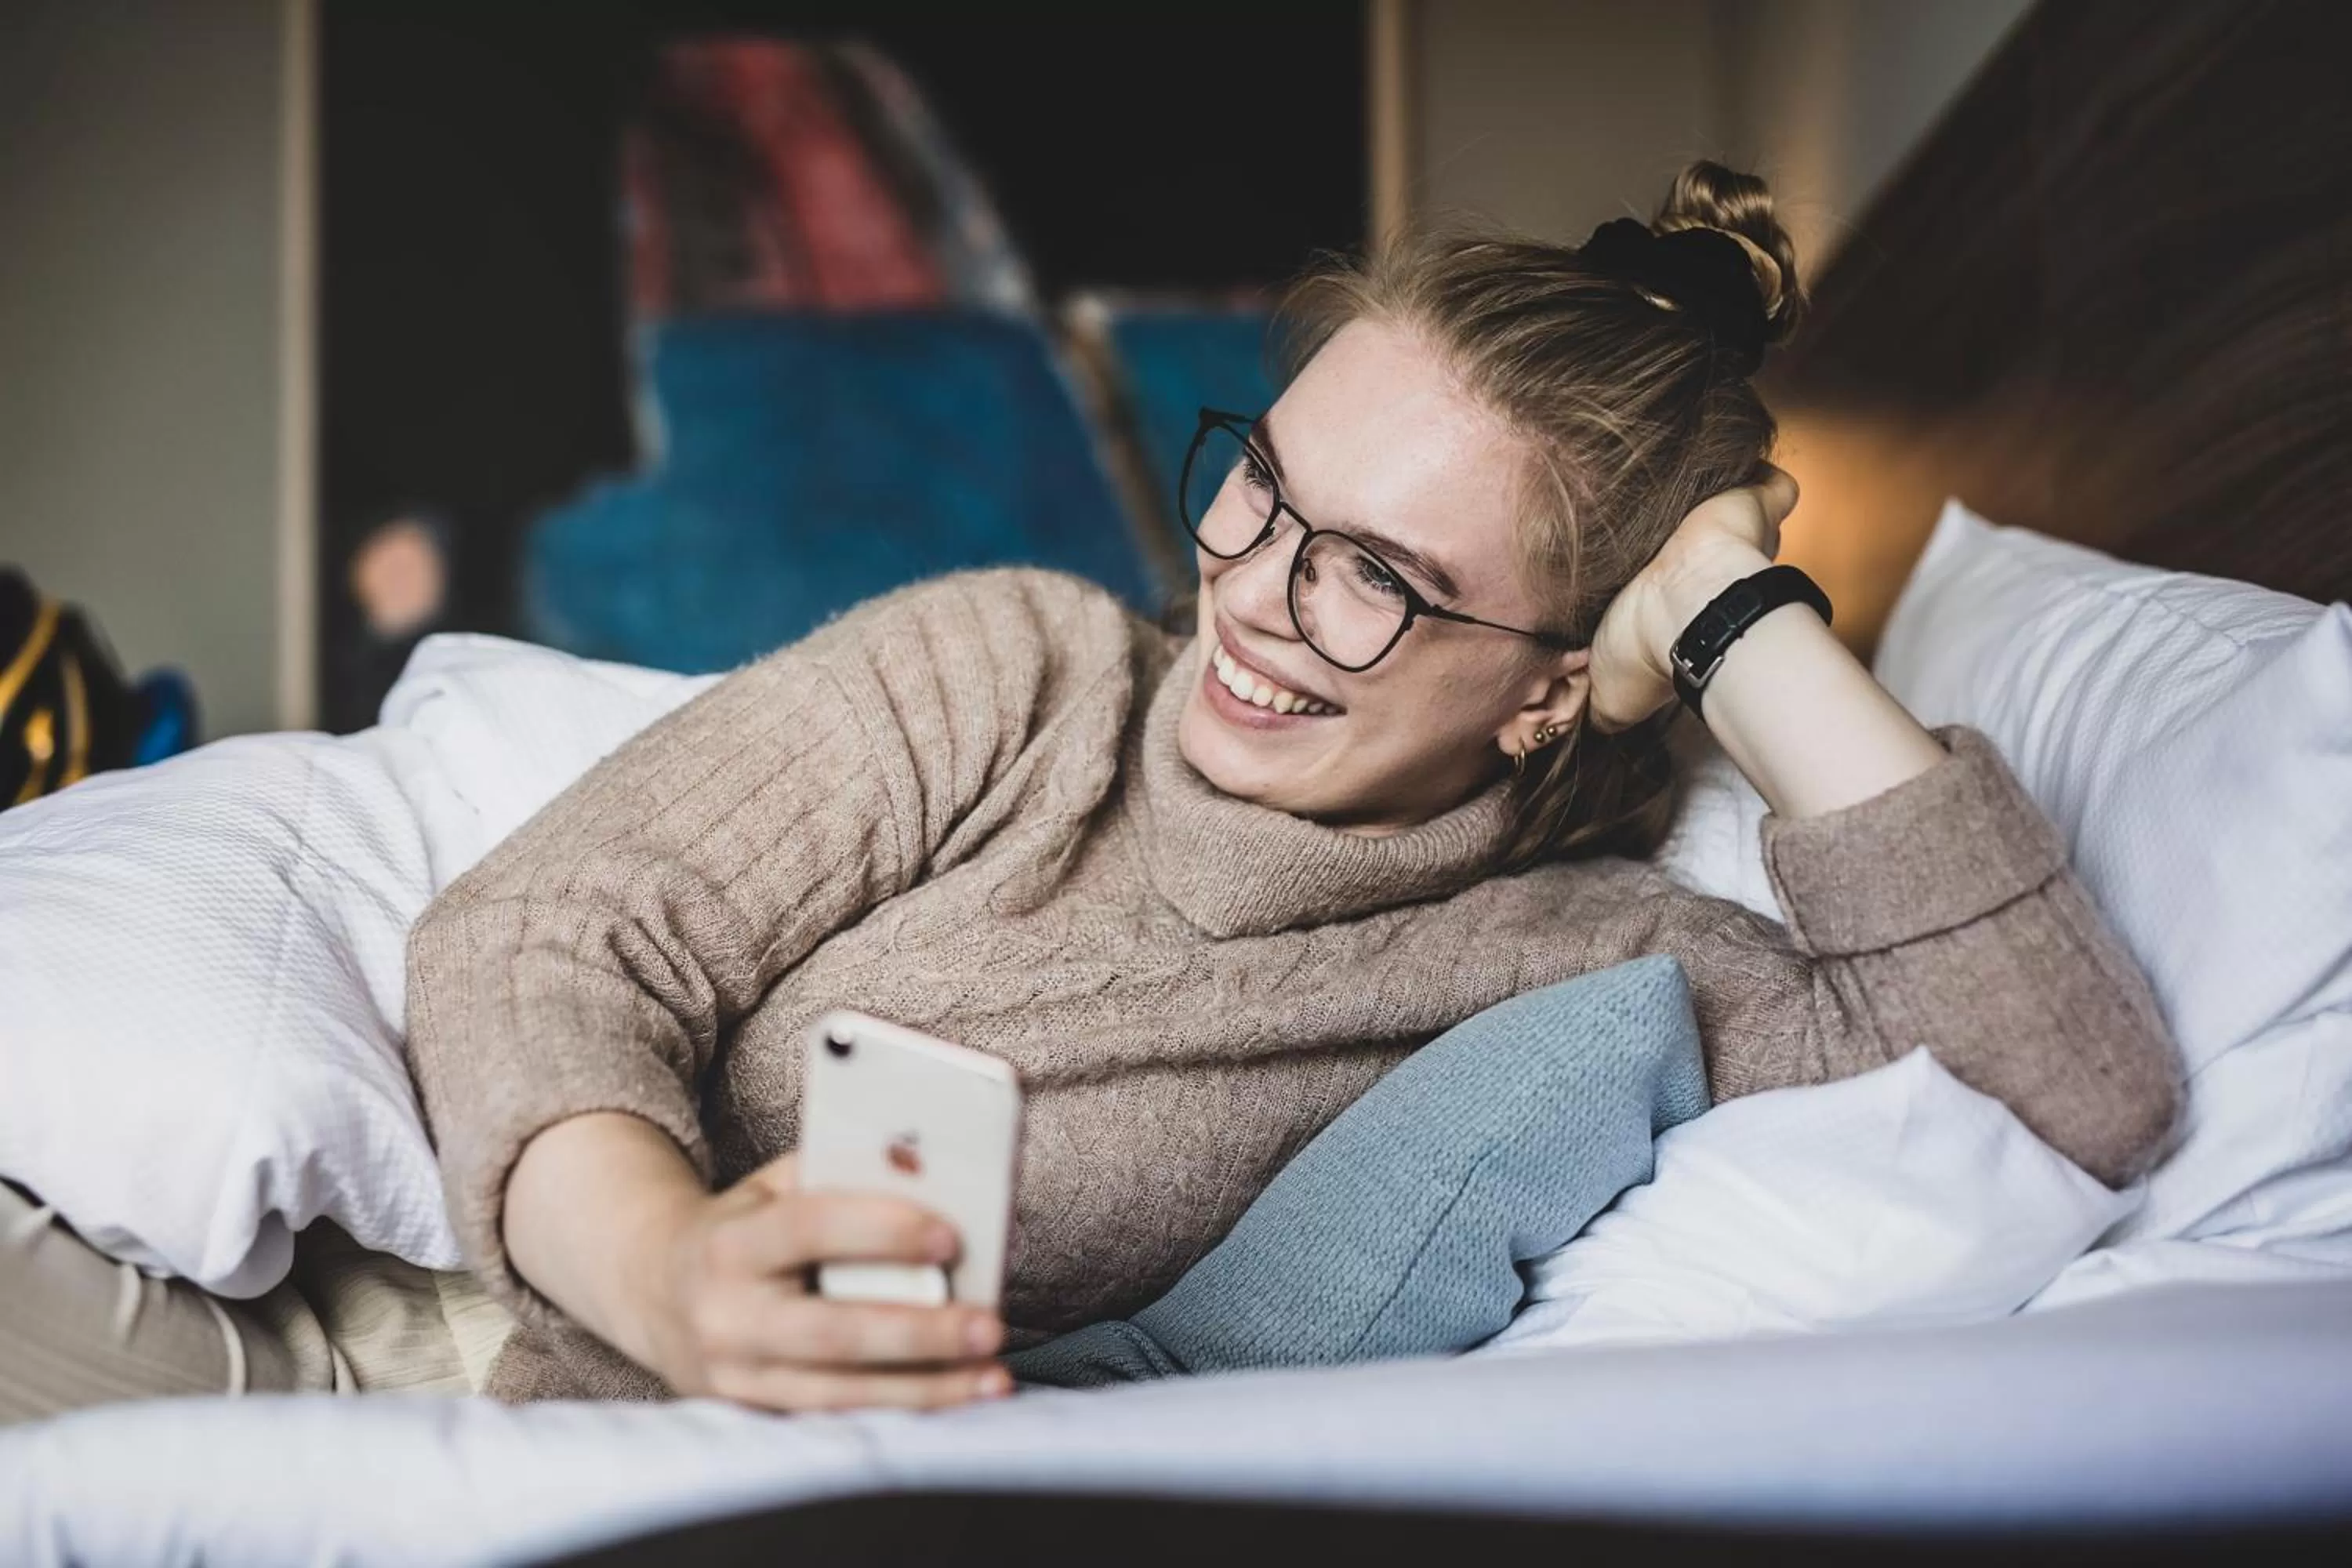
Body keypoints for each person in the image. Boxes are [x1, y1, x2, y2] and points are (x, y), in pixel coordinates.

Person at [0, 163, 2180, 1425]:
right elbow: (554, 930)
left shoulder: (1601, 967)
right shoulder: (1022, 669)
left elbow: (2067, 1087)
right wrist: (663, 1272)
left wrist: (1732, 621)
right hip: (383, 1315)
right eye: (1264, 489)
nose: (1250, 594)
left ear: (1552, 687)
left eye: (1376, 580)